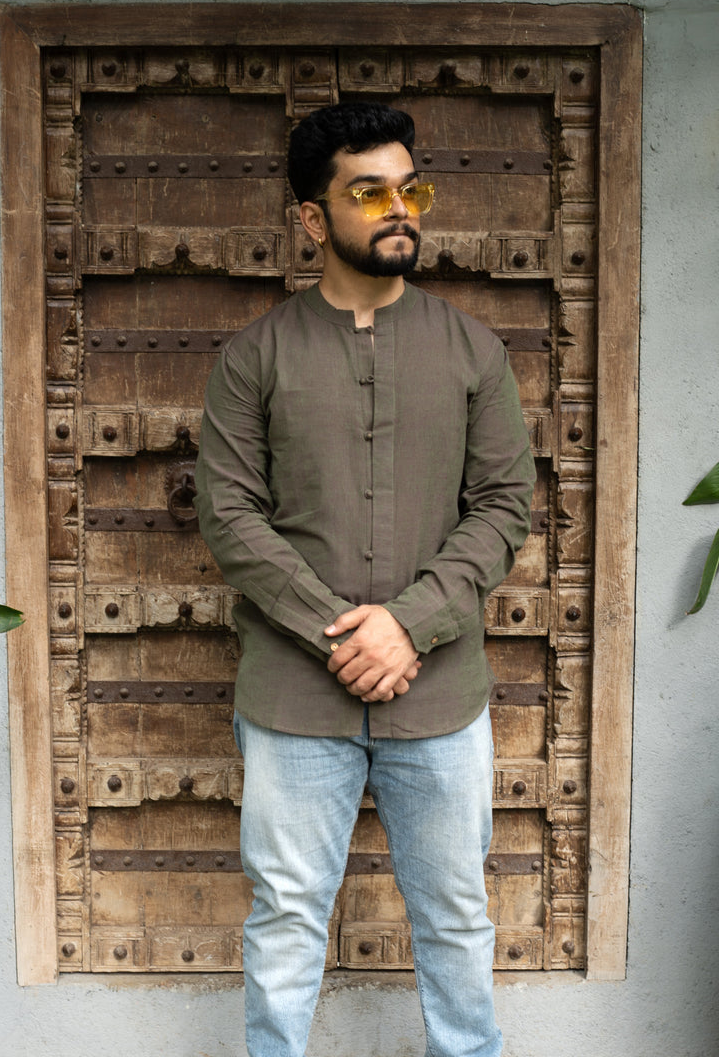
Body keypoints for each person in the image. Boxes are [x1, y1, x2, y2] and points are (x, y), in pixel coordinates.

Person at [194, 101, 535, 1057]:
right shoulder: (253, 358)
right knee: (287, 914)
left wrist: (409, 623)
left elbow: (504, 505)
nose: (400, 211)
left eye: (411, 190)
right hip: (295, 698)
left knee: (456, 916)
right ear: (313, 218)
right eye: (370, 192)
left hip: (441, 696)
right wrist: (343, 631)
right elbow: (230, 517)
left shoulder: (473, 352)